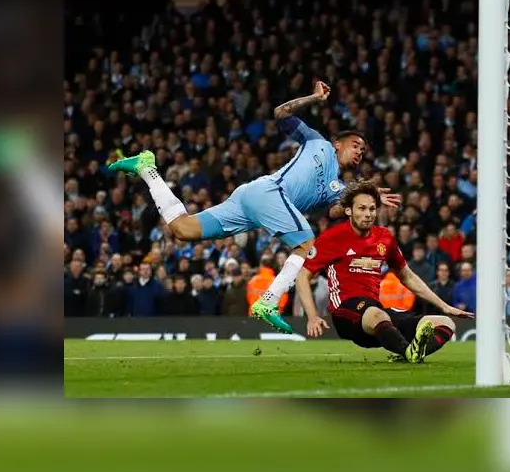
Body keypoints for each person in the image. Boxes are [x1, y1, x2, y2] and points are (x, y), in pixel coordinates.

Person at [109, 81, 402, 333]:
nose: (360, 151)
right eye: (355, 145)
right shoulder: (318, 142)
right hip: (265, 191)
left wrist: (369, 200)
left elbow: (339, 212)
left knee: (182, 229)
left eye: (363, 150)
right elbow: (281, 114)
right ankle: (268, 302)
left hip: (252, 202)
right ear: (338, 143)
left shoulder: (334, 187)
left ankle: (146, 168)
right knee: (309, 248)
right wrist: (313, 98)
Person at [293, 181, 474, 362]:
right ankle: (409, 352)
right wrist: (312, 316)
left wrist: (444, 306)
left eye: (372, 209)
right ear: (348, 211)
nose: (368, 214)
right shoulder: (332, 238)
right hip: (345, 313)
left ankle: (409, 353)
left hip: (377, 316)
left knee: (445, 324)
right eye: (362, 208)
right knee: (376, 313)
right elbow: (302, 275)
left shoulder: (385, 238)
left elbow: (408, 276)